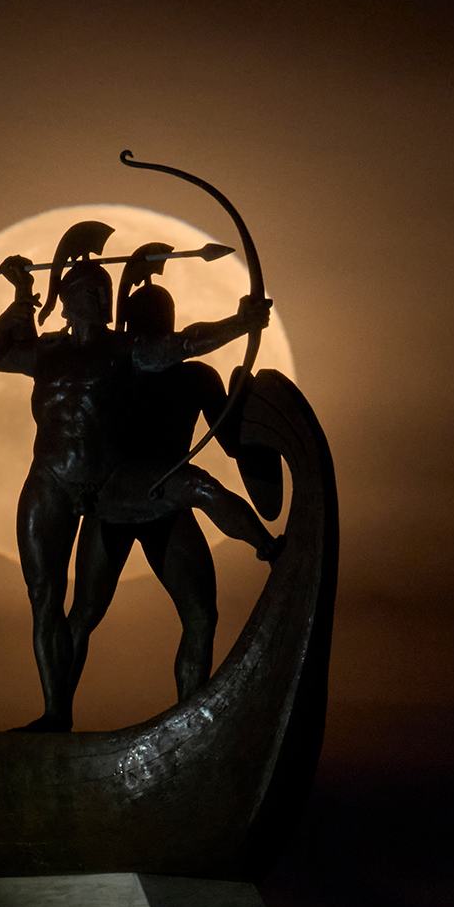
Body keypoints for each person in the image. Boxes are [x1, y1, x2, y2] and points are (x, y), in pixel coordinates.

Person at [0, 225, 274, 731]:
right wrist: (22, 299)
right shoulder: (46, 353)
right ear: (67, 302)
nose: (96, 296)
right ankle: (55, 714)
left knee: (197, 515)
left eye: (102, 290)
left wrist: (238, 325)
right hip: (52, 481)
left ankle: (271, 551)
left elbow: (183, 343)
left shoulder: (126, 350)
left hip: (114, 482)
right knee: (49, 598)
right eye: (84, 290)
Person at [69, 277, 284, 704]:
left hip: (165, 503)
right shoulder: (116, 367)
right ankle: (57, 712)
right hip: (112, 500)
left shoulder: (197, 378)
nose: (156, 329)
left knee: (201, 615)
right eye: (146, 321)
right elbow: (80, 432)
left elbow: (230, 440)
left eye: (161, 319)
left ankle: (190, 711)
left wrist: (249, 409)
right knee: (84, 615)